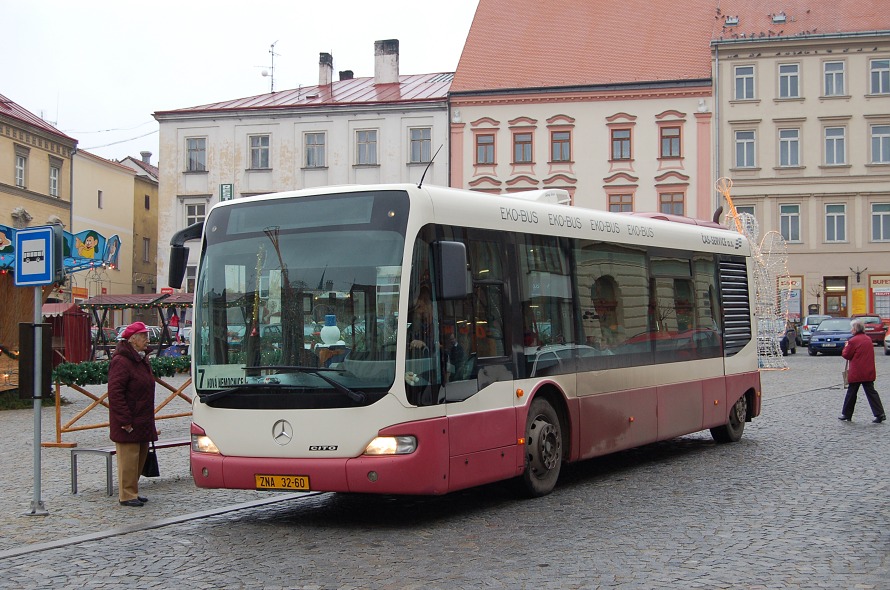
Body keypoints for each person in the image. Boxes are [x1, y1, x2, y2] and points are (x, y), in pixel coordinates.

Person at [107, 321, 158, 506]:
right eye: (144, 336)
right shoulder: (121, 361)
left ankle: (132, 491)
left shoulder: (140, 359)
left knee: (139, 458)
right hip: (129, 420)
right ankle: (126, 495)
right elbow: (115, 392)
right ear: (133, 339)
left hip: (142, 419)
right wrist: (125, 419)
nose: (147, 339)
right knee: (128, 460)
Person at [839, 318, 886, 423]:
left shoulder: (853, 341)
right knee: (871, 392)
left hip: (857, 372)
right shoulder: (868, 339)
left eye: (852, 328)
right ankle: (880, 413)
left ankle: (847, 414)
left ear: (855, 329)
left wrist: (846, 347)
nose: (851, 330)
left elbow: (846, 355)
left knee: (851, 393)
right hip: (868, 370)